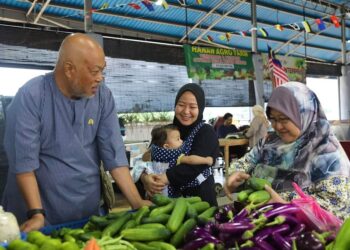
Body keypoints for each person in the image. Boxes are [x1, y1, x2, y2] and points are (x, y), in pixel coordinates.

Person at [1, 33, 151, 232]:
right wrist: (36, 213)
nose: (100, 78)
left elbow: (114, 155)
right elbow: (24, 163)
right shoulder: (32, 96)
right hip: (38, 215)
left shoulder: (103, 97)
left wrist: (137, 202)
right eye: (94, 71)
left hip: (86, 212)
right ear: (69, 69)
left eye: (102, 71)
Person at [224, 82, 350, 219]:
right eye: (273, 119)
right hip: (259, 225)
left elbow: (338, 207)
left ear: (305, 115)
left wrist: (288, 206)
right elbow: (246, 162)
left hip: (299, 233)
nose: (278, 126)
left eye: (284, 119)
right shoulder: (269, 142)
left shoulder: (328, 154)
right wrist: (235, 173)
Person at [140, 83, 220, 206]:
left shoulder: (206, 132)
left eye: (192, 107)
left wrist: (165, 178)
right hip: (167, 204)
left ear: (201, 108)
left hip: (199, 202)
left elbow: (194, 167)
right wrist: (145, 178)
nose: (186, 111)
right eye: (181, 105)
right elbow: (148, 156)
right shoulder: (168, 131)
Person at [134, 124, 213, 197]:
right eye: (178, 139)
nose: (182, 141)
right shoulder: (176, 156)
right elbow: (191, 160)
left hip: (154, 193)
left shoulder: (153, 154)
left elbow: (141, 163)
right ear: (166, 146)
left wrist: (144, 177)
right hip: (170, 194)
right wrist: (206, 160)